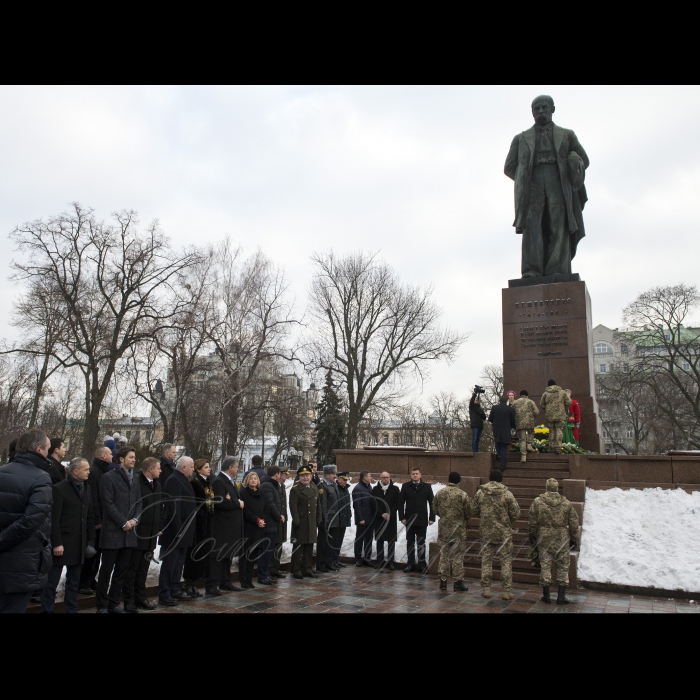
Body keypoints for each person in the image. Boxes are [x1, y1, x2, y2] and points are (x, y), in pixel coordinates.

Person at [504, 94, 589, 278]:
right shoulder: (520, 138)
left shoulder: (567, 134)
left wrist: (574, 162)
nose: (540, 111)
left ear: (552, 109)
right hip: (532, 185)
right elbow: (509, 167)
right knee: (532, 226)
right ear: (532, 112)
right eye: (537, 109)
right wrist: (524, 178)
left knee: (558, 224)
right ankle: (531, 270)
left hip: (557, 181)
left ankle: (557, 269)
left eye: (544, 107)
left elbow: (584, 159)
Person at [0, 429, 53, 614]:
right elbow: (31, 520)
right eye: (48, 449)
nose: (49, 453)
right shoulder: (41, 477)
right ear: (39, 449)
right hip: (23, 563)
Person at [41, 457, 95, 614]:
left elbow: (89, 515)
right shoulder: (59, 489)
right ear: (75, 471)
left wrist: (90, 539)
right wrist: (57, 542)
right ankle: (46, 610)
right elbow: (54, 519)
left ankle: (71, 610)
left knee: (73, 582)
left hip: (80, 544)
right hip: (62, 544)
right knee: (52, 583)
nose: (89, 472)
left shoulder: (87, 488)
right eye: (86, 469)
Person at [96, 444, 143, 614]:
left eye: (134, 457)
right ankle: (101, 605)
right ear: (121, 459)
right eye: (131, 457)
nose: (134, 460)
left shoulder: (136, 479)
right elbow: (108, 504)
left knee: (121, 572)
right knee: (106, 571)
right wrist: (123, 522)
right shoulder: (108, 477)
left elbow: (140, 502)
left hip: (130, 533)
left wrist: (135, 520)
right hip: (113, 532)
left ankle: (114, 603)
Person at [471, 469, 520, 600]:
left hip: (486, 532)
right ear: (500, 479)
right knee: (505, 562)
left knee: (486, 560)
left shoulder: (481, 493)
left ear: (489, 478)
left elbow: (473, 510)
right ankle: (506, 591)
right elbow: (516, 512)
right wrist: (508, 521)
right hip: (504, 533)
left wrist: (483, 518)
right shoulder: (507, 494)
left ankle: (486, 589)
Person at [528, 478, 579, 605]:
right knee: (563, 565)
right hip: (561, 537)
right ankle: (561, 596)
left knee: (545, 564)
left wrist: (532, 535)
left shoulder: (538, 502)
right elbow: (573, 522)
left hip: (544, 537)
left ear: (546, 487)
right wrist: (574, 538)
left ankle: (546, 595)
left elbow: (532, 522)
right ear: (557, 488)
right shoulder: (566, 503)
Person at [122, 456, 163, 611]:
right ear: (150, 469)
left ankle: (140, 597)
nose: (160, 471)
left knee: (143, 569)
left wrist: (159, 525)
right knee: (132, 569)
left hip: (151, 534)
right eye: (158, 468)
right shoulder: (137, 482)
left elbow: (159, 507)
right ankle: (129, 600)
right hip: (137, 533)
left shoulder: (157, 485)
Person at [159, 456, 197, 606]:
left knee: (178, 563)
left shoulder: (183, 479)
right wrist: (178, 529)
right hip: (176, 531)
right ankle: (165, 592)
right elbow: (174, 506)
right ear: (183, 468)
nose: (193, 469)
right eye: (192, 466)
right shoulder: (174, 480)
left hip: (185, 530)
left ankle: (175, 588)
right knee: (170, 563)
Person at [207, 456, 244, 595]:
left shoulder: (229, 481)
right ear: (230, 467)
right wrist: (236, 503)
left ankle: (225, 581)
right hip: (222, 525)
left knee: (227, 554)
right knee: (218, 555)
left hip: (230, 525)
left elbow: (230, 499)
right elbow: (221, 502)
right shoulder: (219, 481)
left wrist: (232, 500)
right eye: (236, 466)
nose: (237, 469)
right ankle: (211, 584)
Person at [78, 445, 113, 594]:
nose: (112, 456)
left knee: (97, 553)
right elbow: (93, 498)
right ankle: (83, 582)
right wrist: (97, 520)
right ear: (103, 456)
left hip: (102, 519)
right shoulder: (93, 472)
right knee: (91, 553)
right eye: (110, 454)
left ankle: (91, 580)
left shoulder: (103, 471)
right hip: (95, 521)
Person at [432, 472, 471, 592]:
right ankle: (457, 582)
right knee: (458, 556)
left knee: (444, 555)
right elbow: (468, 513)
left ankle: (443, 582)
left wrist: (445, 517)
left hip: (444, 529)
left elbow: (435, 509)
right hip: (458, 530)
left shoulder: (440, 493)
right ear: (459, 481)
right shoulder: (463, 495)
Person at [182, 459, 214, 597]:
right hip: (198, 524)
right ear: (198, 469)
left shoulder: (208, 483)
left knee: (202, 556)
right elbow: (196, 503)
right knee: (194, 555)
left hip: (207, 523)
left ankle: (194, 582)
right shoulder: (195, 483)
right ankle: (188, 582)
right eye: (206, 467)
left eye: (209, 467)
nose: (209, 469)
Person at [399, 468, 435, 573]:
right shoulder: (405, 486)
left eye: (417, 474)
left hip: (422, 519)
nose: (415, 475)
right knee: (410, 542)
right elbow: (400, 503)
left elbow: (432, 503)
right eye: (413, 474)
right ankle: (410, 563)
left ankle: (422, 564)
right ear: (411, 475)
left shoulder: (427, 487)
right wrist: (402, 517)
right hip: (409, 519)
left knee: (421, 542)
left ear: (420, 475)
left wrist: (432, 518)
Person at [289, 465, 321, 579]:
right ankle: (296, 569)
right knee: (298, 547)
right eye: (303, 476)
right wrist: (296, 519)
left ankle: (307, 568)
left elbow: (318, 506)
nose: (305, 478)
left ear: (311, 476)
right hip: (301, 522)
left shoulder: (314, 488)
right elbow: (293, 506)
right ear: (299, 477)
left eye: (307, 475)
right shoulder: (295, 489)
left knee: (309, 546)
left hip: (311, 521)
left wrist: (319, 518)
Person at [238, 471, 267, 589]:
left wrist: (262, 520)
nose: (253, 480)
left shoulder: (261, 493)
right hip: (248, 527)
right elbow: (245, 511)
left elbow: (266, 508)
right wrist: (256, 520)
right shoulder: (243, 493)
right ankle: (243, 580)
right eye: (251, 478)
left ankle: (249, 579)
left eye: (255, 478)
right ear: (247, 480)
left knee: (253, 554)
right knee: (245, 555)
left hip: (258, 527)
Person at [258, 465, 284, 584]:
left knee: (269, 551)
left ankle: (265, 574)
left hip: (273, 524)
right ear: (277, 474)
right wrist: (279, 516)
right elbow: (270, 504)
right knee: (265, 551)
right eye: (280, 473)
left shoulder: (273, 485)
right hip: (268, 523)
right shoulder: (267, 485)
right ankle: (262, 575)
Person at [372, 472, 400, 570]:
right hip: (379, 519)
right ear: (380, 478)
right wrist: (381, 513)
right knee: (379, 540)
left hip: (391, 519)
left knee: (391, 541)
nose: (385, 479)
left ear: (389, 478)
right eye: (383, 477)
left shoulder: (395, 489)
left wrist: (390, 513)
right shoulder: (375, 489)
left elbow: (397, 503)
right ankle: (379, 561)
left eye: (387, 477)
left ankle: (390, 561)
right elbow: (373, 503)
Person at [316, 464, 340, 572]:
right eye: (333, 474)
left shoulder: (333, 484)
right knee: (323, 543)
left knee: (330, 543)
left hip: (334, 518)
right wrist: (324, 520)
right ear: (326, 474)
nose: (335, 476)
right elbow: (323, 505)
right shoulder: (322, 485)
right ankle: (320, 564)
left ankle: (328, 562)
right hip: (327, 520)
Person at [540, 379, 572, 454]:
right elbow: (568, 402)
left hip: (550, 415)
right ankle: (558, 447)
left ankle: (552, 447)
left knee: (551, 430)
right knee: (559, 430)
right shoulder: (562, 392)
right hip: (560, 414)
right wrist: (564, 409)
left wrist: (547, 409)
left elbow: (542, 404)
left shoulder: (545, 393)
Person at [269, 466, 289, 579]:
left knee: (279, 544)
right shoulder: (274, 486)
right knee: (274, 545)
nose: (286, 477)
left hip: (281, 520)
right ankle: (272, 568)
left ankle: (276, 568)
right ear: (279, 475)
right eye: (284, 475)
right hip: (275, 520)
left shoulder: (282, 487)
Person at [352, 470, 375, 567]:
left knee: (369, 539)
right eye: (370, 476)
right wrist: (360, 519)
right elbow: (357, 505)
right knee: (360, 539)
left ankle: (367, 558)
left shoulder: (369, 487)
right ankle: (358, 558)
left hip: (370, 518)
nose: (371, 478)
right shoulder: (358, 488)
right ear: (364, 478)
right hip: (362, 519)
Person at [488, 396, 517, 471]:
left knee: (497, 444)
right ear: (506, 401)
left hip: (496, 429)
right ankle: (503, 465)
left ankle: (500, 456)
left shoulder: (494, 408)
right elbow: (513, 421)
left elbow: (490, 419)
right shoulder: (510, 409)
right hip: (506, 430)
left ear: (499, 401)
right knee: (503, 447)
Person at [330, 472, 352, 568]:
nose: (345, 482)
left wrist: (349, 515)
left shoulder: (345, 489)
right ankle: (332, 560)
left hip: (344, 519)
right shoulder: (336, 489)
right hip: (337, 519)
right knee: (334, 541)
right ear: (339, 479)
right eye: (344, 480)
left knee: (339, 541)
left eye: (346, 480)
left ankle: (336, 559)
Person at [513, 390, 539, 463]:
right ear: (527, 396)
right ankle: (529, 444)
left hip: (519, 423)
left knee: (522, 439)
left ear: (520, 395)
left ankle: (523, 456)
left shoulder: (515, 403)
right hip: (530, 422)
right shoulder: (530, 402)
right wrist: (532, 416)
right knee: (531, 433)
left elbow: (512, 412)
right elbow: (536, 412)